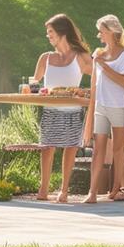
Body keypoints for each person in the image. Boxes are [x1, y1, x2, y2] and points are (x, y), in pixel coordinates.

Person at [32, 14, 92, 202]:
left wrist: (86, 91)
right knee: (47, 148)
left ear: (61, 32)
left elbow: (99, 77)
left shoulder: (81, 57)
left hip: (73, 112)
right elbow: (35, 82)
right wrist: (36, 88)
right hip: (50, 111)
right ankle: (43, 190)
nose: (48, 36)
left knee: (70, 148)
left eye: (50, 32)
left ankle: (64, 190)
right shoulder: (46, 58)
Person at [83, 14, 124, 203]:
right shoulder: (99, 54)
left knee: (119, 149)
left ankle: (116, 190)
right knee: (98, 150)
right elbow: (95, 83)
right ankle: (92, 192)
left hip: (119, 107)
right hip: (101, 107)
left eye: (102, 31)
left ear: (112, 32)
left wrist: (103, 65)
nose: (99, 35)